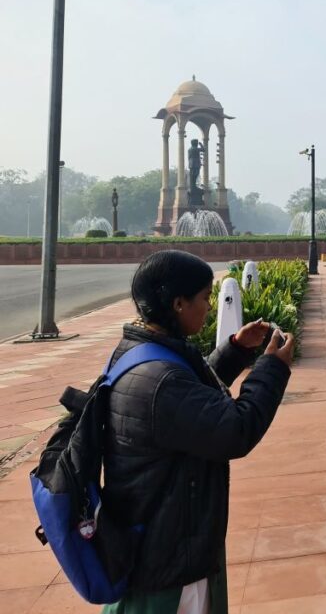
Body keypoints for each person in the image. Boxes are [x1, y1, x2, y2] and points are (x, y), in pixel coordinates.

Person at [102, 250, 294, 614]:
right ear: (178, 303)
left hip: (158, 540)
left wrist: (236, 350)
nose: (210, 306)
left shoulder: (139, 351)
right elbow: (234, 431)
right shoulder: (162, 382)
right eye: (205, 297)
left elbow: (190, 400)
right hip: (171, 558)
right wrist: (271, 369)